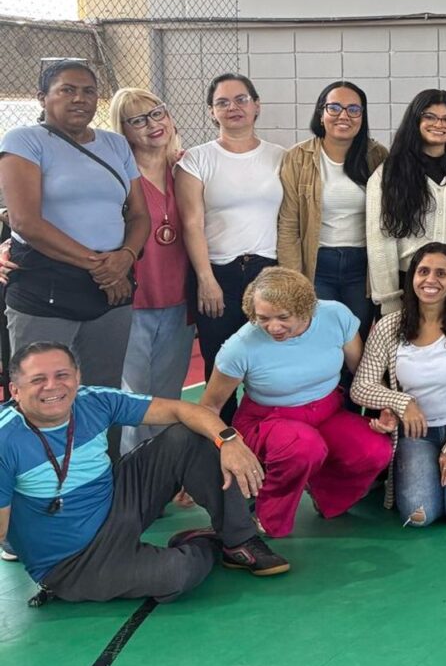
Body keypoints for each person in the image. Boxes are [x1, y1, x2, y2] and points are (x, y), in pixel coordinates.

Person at [0, 341, 286, 604]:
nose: (52, 386)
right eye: (37, 379)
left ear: (77, 377)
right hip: (74, 561)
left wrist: (229, 440)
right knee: (178, 574)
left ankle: (240, 541)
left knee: (189, 436)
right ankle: (205, 542)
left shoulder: (92, 400)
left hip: (117, 501)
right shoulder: (5, 438)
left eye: (62, 375)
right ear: (15, 390)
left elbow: (182, 410)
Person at [198, 267, 392, 539]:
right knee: (303, 448)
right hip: (267, 420)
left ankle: (324, 492)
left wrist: (386, 405)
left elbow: (362, 373)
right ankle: (268, 517)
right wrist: (200, 461)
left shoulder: (335, 316)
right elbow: (208, 408)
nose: (273, 327)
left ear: (305, 308)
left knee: (375, 450)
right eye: (263, 318)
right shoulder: (239, 346)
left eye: (283, 317)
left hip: (327, 411)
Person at [0, 61, 147, 408]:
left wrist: (125, 258)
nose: (79, 98)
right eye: (67, 89)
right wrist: (102, 268)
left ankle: (102, 448)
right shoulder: (24, 140)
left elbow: (140, 215)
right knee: (42, 394)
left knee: (103, 395)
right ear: (42, 97)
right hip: (47, 289)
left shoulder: (116, 145)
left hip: (112, 291)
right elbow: (25, 221)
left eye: (88, 91)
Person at [351, 244, 446, 527]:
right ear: (412, 278)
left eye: (441, 273)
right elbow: (361, 386)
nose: (431, 280)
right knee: (420, 516)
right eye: (423, 272)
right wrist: (402, 402)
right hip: (416, 435)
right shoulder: (389, 327)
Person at [176, 73, 286, 422]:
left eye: (241, 99)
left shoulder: (281, 157)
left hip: (267, 273)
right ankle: (221, 439)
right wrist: (206, 279)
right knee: (220, 362)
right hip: (217, 274)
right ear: (212, 112)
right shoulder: (195, 160)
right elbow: (192, 224)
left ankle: (266, 436)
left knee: (267, 361)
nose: (233, 107)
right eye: (222, 102)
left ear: (257, 106)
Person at [108, 88, 196, 454]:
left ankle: (164, 472)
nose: (152, 124)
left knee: (169, 394)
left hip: (180, 300)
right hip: (133, 302)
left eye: (157, 113)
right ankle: (133, 470)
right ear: (124, 130)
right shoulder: (117, 176)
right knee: (135, 397)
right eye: (138, 120)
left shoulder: (188, 168)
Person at [277, 81, 388, 330]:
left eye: (353, 109)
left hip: (362, 267)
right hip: (317, 264)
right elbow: (288, 225)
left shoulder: (377, 156)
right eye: (334, 107)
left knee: (356, 338)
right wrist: (293, 280)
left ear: (362, 116)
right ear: (321, 113)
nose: (344, 116)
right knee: (321, 336)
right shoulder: (298, 158)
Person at [365, 90, 446, 317]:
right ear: (415, 120)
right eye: (430, 117)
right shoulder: (388, 174)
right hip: (407, 283)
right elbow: (380, 242)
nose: (439, 124)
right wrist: (389, 300)